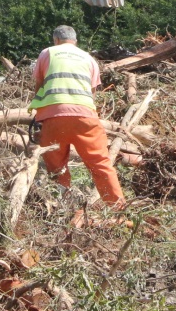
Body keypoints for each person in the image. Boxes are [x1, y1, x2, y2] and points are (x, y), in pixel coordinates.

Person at [29, 25, 125, 205]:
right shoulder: (89, 59)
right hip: (85, 117)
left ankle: (61, 205)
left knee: (56, 167)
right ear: (75, 42)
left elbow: (39, 86)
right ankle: (118, 208)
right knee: (100, 164)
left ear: (56, 40)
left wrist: (39, 113)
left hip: (54, 116)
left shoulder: (48, 53)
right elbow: (92, 94)